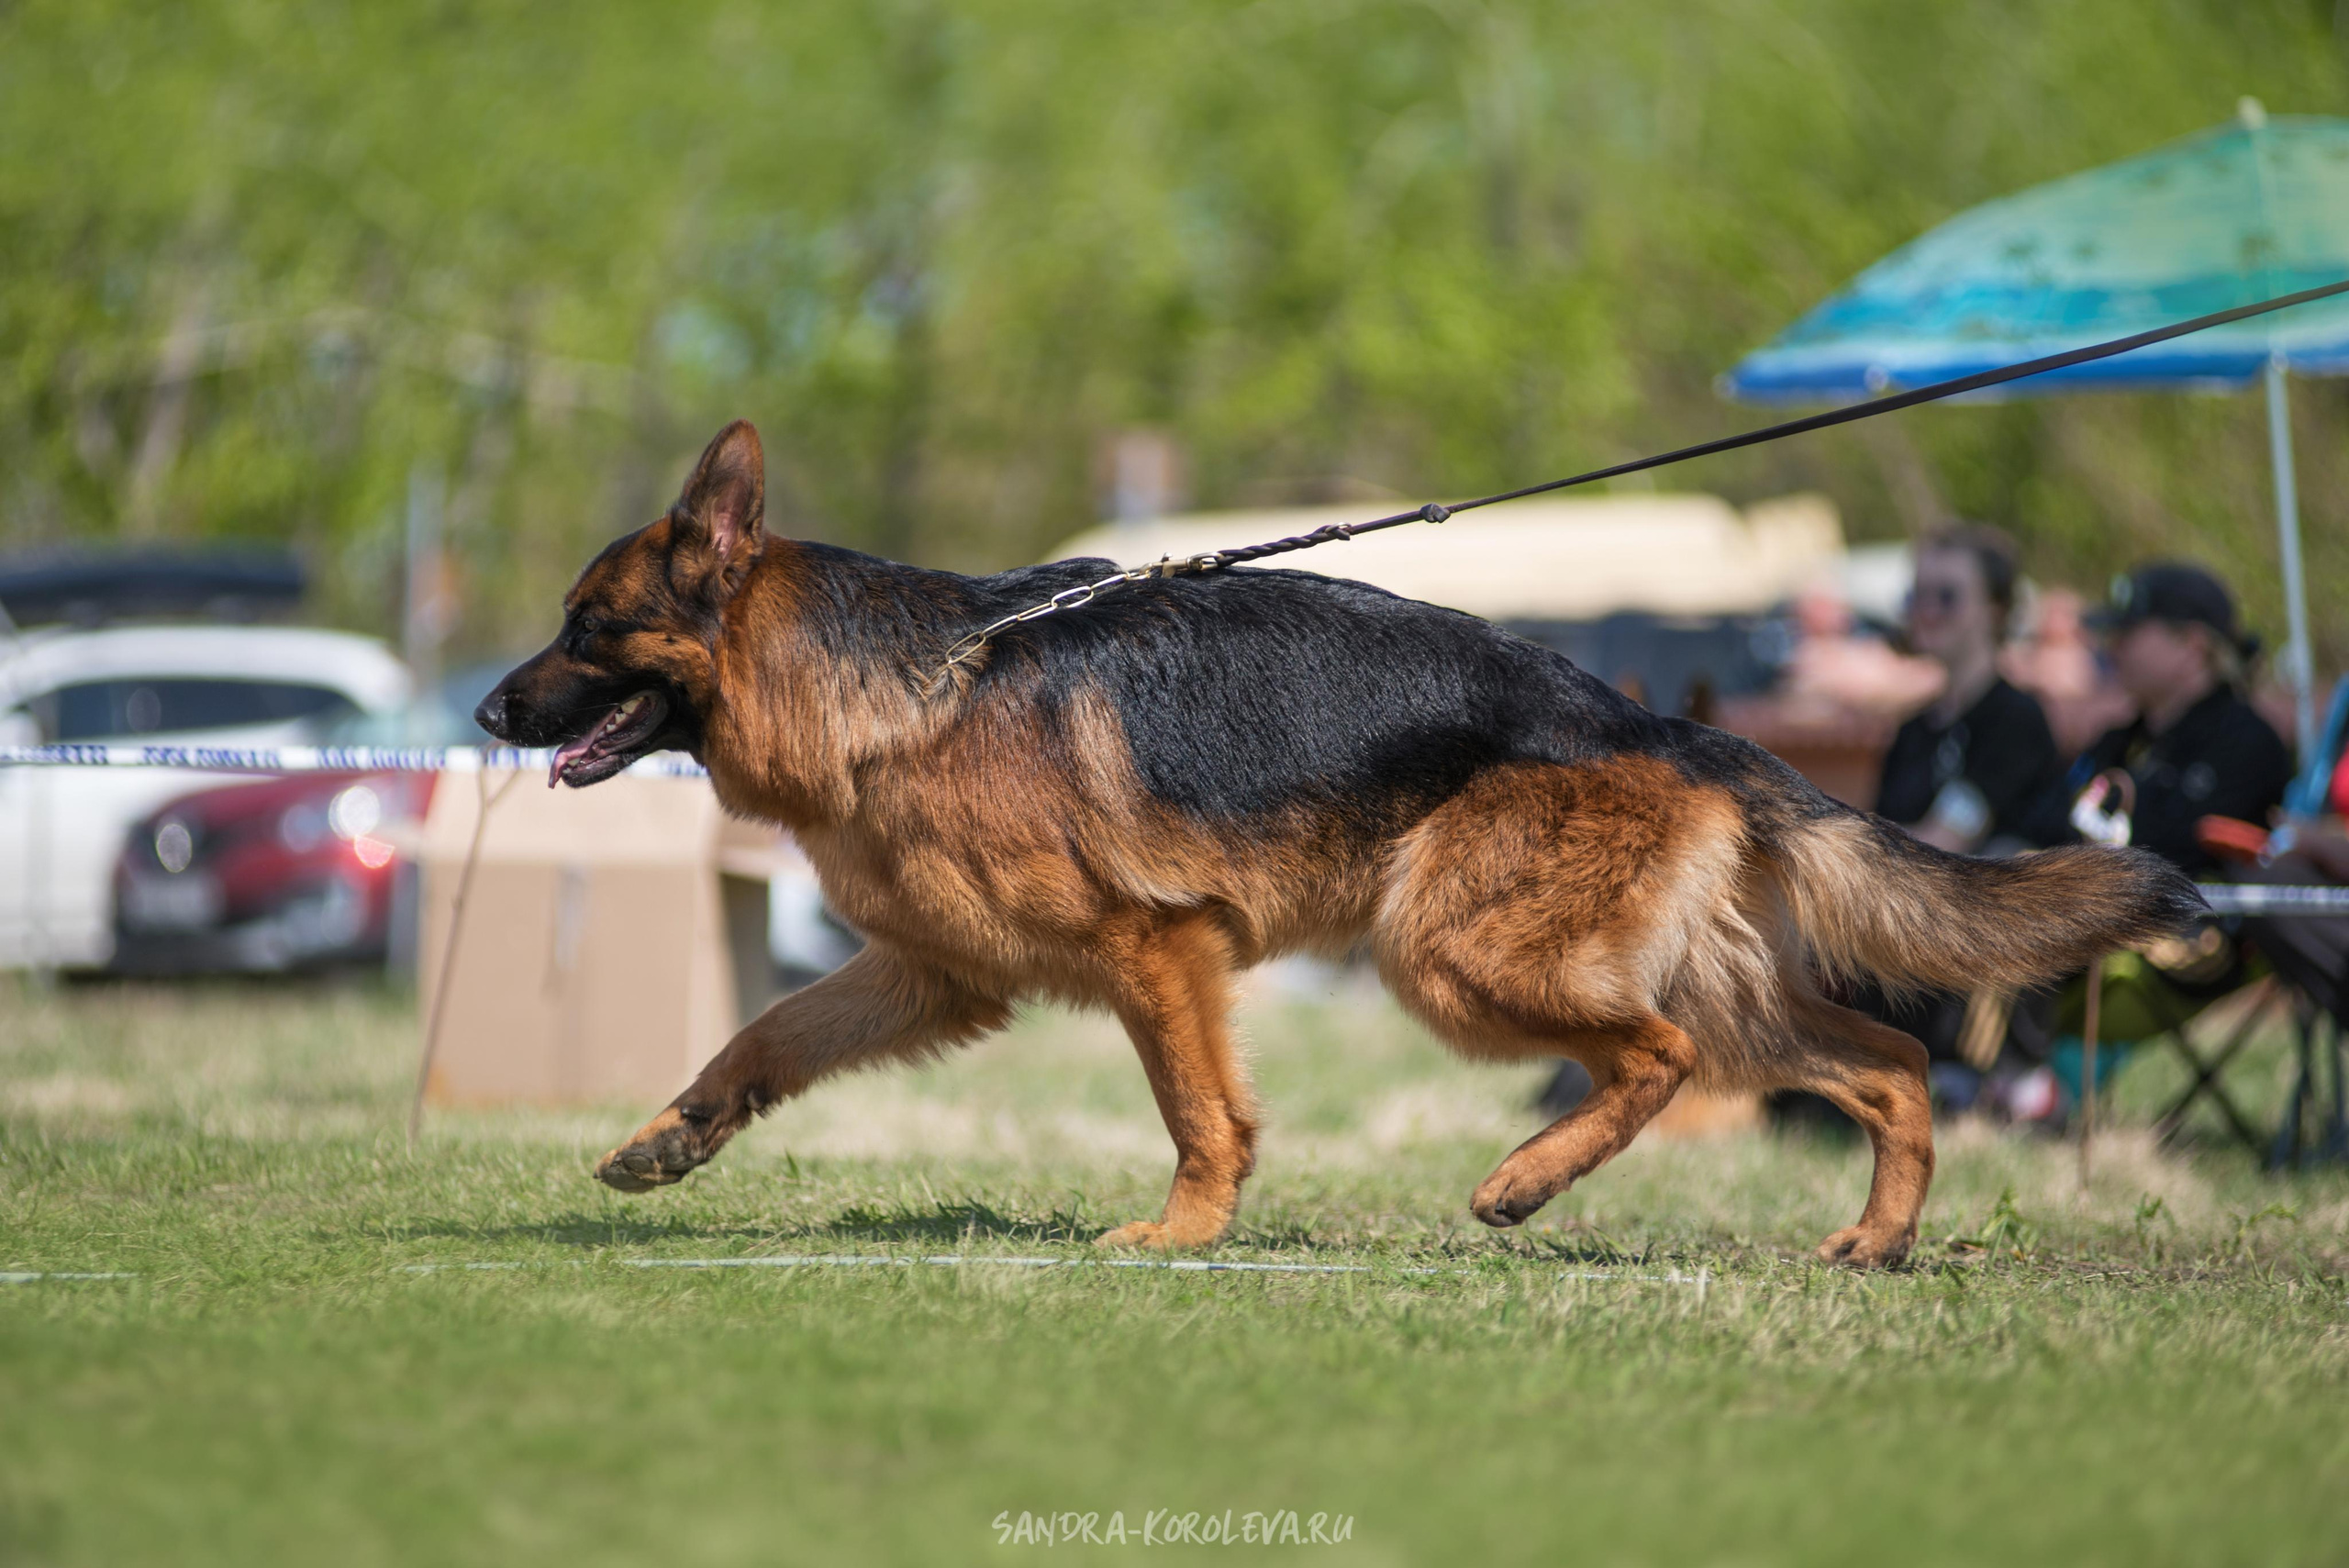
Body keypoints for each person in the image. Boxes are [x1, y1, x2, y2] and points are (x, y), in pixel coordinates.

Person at [2020, 562, 2292, 874]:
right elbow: (2042, 822)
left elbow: (2178, 854)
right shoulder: (2123, 739)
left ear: (2192, 645)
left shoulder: (2245, 743)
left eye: (2129, 632)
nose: (2112, 646)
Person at [1875, 526, 2063, 854]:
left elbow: (1942, 849)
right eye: (1918, 594)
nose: (1927, 611)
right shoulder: (1913, 730)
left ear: (1995, 610)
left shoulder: (2015, 720)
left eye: (1948, 596)